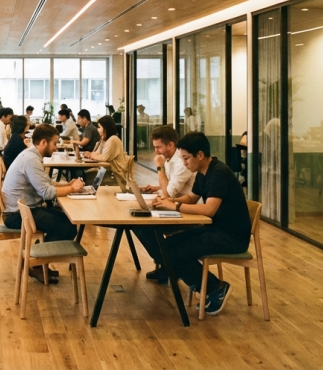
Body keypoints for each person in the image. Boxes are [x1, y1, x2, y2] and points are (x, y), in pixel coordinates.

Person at [151, 132, 251, 315]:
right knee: (166, 247)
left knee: (175, 254)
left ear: (200, 155)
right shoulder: (203, 172)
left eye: (186, 158)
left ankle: (215, 289)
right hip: (215, 229)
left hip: (231, 236)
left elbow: (209, 209)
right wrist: (168, 203)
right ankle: (208, 287)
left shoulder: (218, 173)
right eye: (182, 158)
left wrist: (175, 206)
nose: (184, 163)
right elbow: (192, 197)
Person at [1, 124, 85, 285]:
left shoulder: (31, 156)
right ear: (44, 142)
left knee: (68, 221)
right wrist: (71, 189)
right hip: (16, 214)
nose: (56, 147)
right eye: (55, 143)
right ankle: (36, 263)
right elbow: (46, 193)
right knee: (67, 226)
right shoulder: (31, 160)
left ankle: (38, 262)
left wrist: (67, 185)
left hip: (22, 209)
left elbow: (45, 184)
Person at [135, 126, 196, 283]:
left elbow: (169, 193)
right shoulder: (170, 159)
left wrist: (160, 167)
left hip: (188, 212)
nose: (156, 152)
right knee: (138, 224)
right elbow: (168, 187)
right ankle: (167, 266)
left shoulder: (182, 162)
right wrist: (155, 187)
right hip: (175, 205)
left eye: (158, 147)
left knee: (145, 228)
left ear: (170, 145)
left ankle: (170, 267)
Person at [83, 115, 132, 188]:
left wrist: (90, 155)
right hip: (106, 171)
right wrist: (91, 154)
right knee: (86, 175)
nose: (98, 130)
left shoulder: (113, 139)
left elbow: (104, 158)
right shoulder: (105, 139)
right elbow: (97, 153)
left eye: (99, 127)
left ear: (106, 128)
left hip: (115, 175)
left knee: (86, 177)